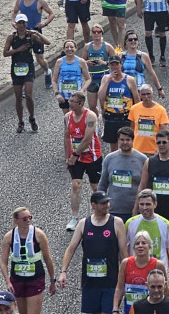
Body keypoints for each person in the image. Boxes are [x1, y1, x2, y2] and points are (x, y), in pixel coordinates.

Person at [58, 192, 129, 314]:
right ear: (93, 205)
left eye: (107, 202)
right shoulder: (83, 223)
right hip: (90, 281)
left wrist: (126, 278)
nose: (106, 205)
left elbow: (123, 253)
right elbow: (71, 248)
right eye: (103, 203)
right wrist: (63, 271)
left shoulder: (117, 222)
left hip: (110, 281)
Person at [0, 206, 57, 314]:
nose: (28, 221)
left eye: (30, 217)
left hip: (35, 279)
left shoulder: (39, 234)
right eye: (25, 219)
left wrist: (53, 280)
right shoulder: (8, 237)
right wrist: (7, 282)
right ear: (16, 220)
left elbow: (48, 259)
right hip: (17, 280)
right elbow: (3, 262)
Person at [123, 191, 169, 289]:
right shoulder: (130, 223)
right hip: (136, 272)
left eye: (148, 204)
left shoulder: (165, 224)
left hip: (157, 274)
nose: (144, 208)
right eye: (141, 204)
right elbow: (124, 248)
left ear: (155, 204)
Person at [3, 15, 50, 133]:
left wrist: (38, 33)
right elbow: (5, 53)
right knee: (18, 97)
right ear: (16, 25)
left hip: (28, 68)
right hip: (16, 68)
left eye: (24, 23)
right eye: (19, 23)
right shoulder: (11, 37)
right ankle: (20, 122)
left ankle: (32, 118)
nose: (22, 25)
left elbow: (48, 42)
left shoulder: (32, 36)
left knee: (28, 95)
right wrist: (18, 50)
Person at [64, 91, 103, 232]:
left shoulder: (90, 116)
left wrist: (75, 154)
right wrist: (68, 156)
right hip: (76, 158)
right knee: (76, 185)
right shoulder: (67, 117)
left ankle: (100, 213)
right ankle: (74, 217)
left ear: (80, 103)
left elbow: (87, 139)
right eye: (70, 101)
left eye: (73, 101)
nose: (70, 104)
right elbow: (67, 137)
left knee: (95, 186)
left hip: (92, 156)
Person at [97, 126, 147, 224]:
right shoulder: (109, 159)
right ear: (118, 140)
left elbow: (146, 186)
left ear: (133, 140)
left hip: (135, 212)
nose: (125, 142)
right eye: (122, 139)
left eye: (128, 140)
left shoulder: (143, 160)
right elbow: (102, 185)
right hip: (113, 211)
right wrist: (99, 205)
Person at [114, 229, 167, 314]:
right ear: (133, 247)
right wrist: (115, 309)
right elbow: (119, 288)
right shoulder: (126, 263)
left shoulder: (158, 265)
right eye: (137, 243)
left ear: (149, 246)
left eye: (144, 243)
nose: (140, 246)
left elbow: (165, 288)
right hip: (130, 310)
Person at [98, 58, 139, 153]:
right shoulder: (105, 78)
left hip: (125, 117)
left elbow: (136, 100)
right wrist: (107, 81)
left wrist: (136, 118)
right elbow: (100, 97)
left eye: (116, 64)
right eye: (112, 65)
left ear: (121, 64)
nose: (114, 67)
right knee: (113, 144)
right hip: (111, 116)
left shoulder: (129, 80)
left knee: (127, 143)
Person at [128, 84, 169, 157]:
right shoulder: (134, 109)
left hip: (154, 151)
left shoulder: (161, 110)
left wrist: (160, 148)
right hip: (137, 150)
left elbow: (164, 132)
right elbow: (132, 128)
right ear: (140, 95)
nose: (146, 97)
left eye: (148, 94)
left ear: (153, 94)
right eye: (143, 94)